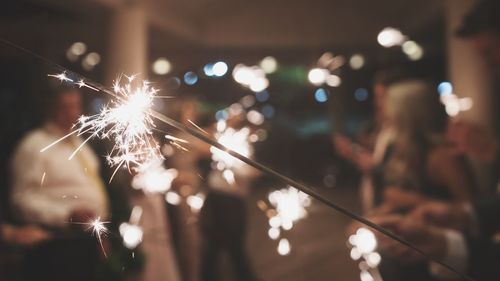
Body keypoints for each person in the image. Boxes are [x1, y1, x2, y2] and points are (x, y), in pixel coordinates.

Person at [10, 84, 109, 281]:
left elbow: (93, 189)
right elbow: (21, 199)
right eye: (64, 107)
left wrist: (100, 235)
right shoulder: (34, 145)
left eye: (75, 106)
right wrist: (67, 214)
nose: (71, 113)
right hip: (54, 245)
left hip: (84, 242)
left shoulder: (80, 146)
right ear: (51, 108)